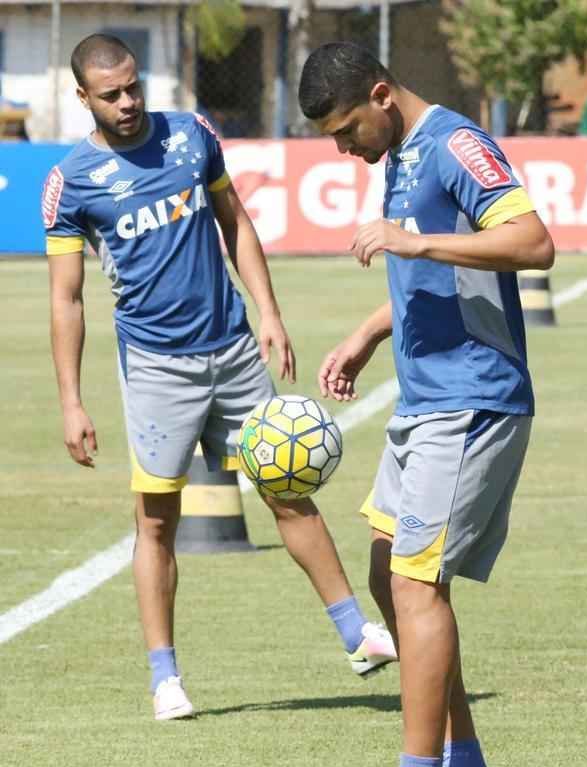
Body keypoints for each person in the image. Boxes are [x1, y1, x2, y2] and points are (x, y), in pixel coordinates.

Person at [43, 34, 396, 722]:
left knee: (287, 490)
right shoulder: (71, 182)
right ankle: (164, 678)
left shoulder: (191, 135)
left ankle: (358, 635)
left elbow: (235, 223)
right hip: (155, 368)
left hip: (233, 349)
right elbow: (67, 299)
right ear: (82, 97)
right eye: (110, 93)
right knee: (156, 521)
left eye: (134, 86)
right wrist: (71, 402)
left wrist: (267, 311)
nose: (128, 101)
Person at [298, 43, 554, 767]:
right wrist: (370, 332)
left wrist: (414, 240)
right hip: (424, 402)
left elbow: (534, 243)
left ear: (382, 95)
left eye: (348, 130)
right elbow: (433, 271)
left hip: (474, 399)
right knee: (389, 574)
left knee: (414, 586)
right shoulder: (400, 157)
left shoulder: (455, 145)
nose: (345, 149)